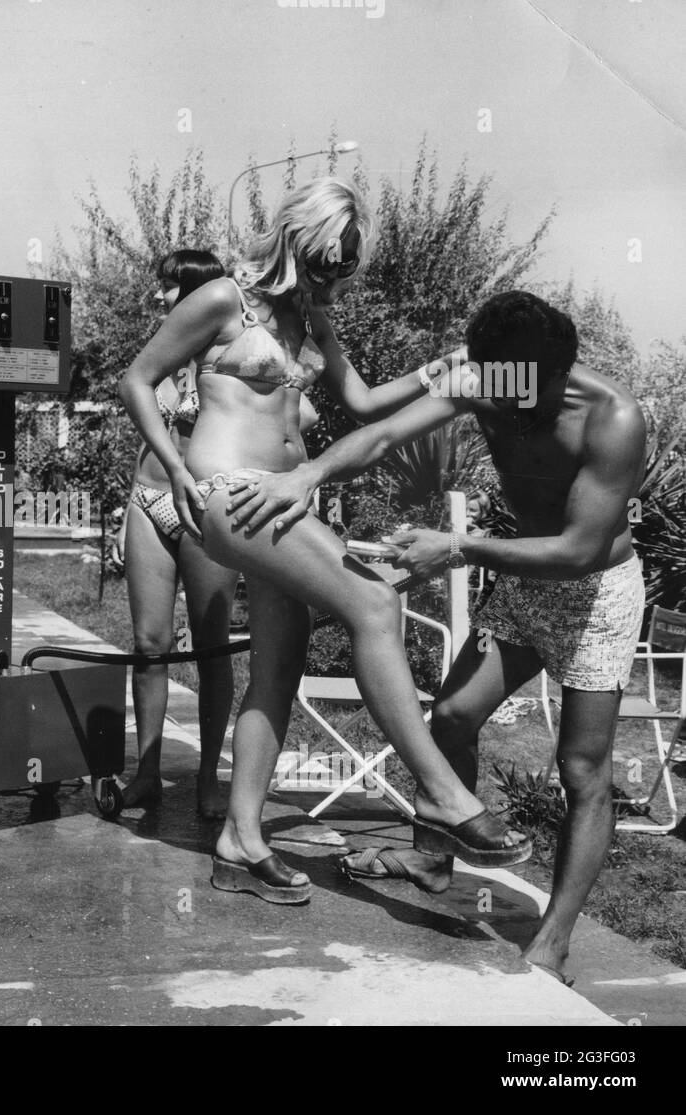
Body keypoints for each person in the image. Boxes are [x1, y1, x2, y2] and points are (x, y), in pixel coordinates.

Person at [119, 177, 531, 906]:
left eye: (341, 270)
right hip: (229, 491)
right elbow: (139, 378)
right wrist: (176, 467)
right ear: (292, 241)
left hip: (279, 496)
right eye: (320, 264)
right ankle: (439, 793)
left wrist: (444, 368)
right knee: (372, 604)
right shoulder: (222, 299)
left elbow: (365, 401)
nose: (329, 281)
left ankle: (241, 841)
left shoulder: (309, 319)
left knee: (280, 663)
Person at [232, 290, 645, 983]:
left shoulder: (612, 418)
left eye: (522, 388)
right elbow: (384, 433)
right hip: (524, 586)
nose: (504, 400)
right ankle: (431, 854)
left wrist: (456, 547)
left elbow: (577, 548)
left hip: (596, 595)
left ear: (557, 373)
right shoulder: (495, 379)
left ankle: (555, 936)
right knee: (452, 715)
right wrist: (308, 474)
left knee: (582, 770)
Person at [114, 250, 237, 817]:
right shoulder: (163, 351)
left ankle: (208, 777)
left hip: (205, 506)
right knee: (149, 646)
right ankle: (147, 772)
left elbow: (297, 410)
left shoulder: (226, 350)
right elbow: (147, 428)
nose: (161, 298)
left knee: (211, 649)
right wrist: (124, 511)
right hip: (147, 500)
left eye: (171, 287)